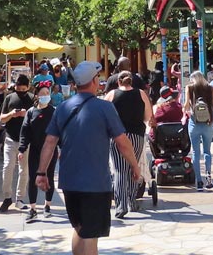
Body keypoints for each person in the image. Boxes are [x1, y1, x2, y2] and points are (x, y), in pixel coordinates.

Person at [35, 61, 140, 255]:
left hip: (69, 182)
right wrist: (135, 165)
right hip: (96, 184)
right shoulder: (105, 108)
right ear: (94, 81)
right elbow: (123, 142)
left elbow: (49, 143)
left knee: (80, 230)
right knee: (91, 236)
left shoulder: (63, 108)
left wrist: (41, 172)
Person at [104, 71, 152, 218]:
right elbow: (147, 116)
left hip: (118, 135)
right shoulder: (141, 94)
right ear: (131, 81)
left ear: (118, 81)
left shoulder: (111, 95)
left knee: (119, 169)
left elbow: (103, 114)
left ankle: (121, 205)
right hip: (137, 135)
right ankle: (132, 201)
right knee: (134, 166)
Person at [18, 83, 59, 222]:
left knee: (49, 177)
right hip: (35, 150)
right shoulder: (31, 112)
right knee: (33, 178)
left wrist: (62, 148)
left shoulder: (54, 112)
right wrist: (22, 149)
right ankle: (33, 208)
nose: (45, 96)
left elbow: (59, 131)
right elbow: (25, 132)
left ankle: (47, 205)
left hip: (51, 150)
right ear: (37, 96)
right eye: (42, 94)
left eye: (47, 93)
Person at [0, 73, 35, 212]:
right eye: (18, 89)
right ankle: (7, 196)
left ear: (28, 87)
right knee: (7, 167)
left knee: (24, 170)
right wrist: (12, 114)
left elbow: (37, 118)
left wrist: (27, 114)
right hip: (10, 137)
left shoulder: (32, 99)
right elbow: (2, 118)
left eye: (23, 89)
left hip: (25, 140)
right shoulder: (9, 98)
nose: (20, 92)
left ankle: (20, 198)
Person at [183, 70, 213, 190]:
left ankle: (199, 181)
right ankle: (209, 176)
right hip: (208, 123)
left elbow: (186, 107)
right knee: (207, 151)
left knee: (195, 152)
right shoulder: (210, 88)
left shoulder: (190, 88)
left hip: (194, 123)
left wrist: (187, 107)